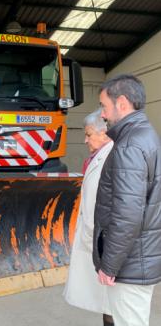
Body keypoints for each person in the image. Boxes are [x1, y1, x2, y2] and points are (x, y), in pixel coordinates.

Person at [93, 74, 161, 326]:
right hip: (140, 259)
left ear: (121, 103)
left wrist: (109, 266)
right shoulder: (147, 136)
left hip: (130, 265)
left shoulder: (130, 145)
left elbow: (127, 214)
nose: (102, 115)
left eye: (104, 106)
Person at [63, 109, 114, 326]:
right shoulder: (96, 158)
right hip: (99, 242)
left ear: (104, 134)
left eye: (89, 134)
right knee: (107, 302)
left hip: (108, 244)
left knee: (113, 303)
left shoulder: (111, 159)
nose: (85, 140)